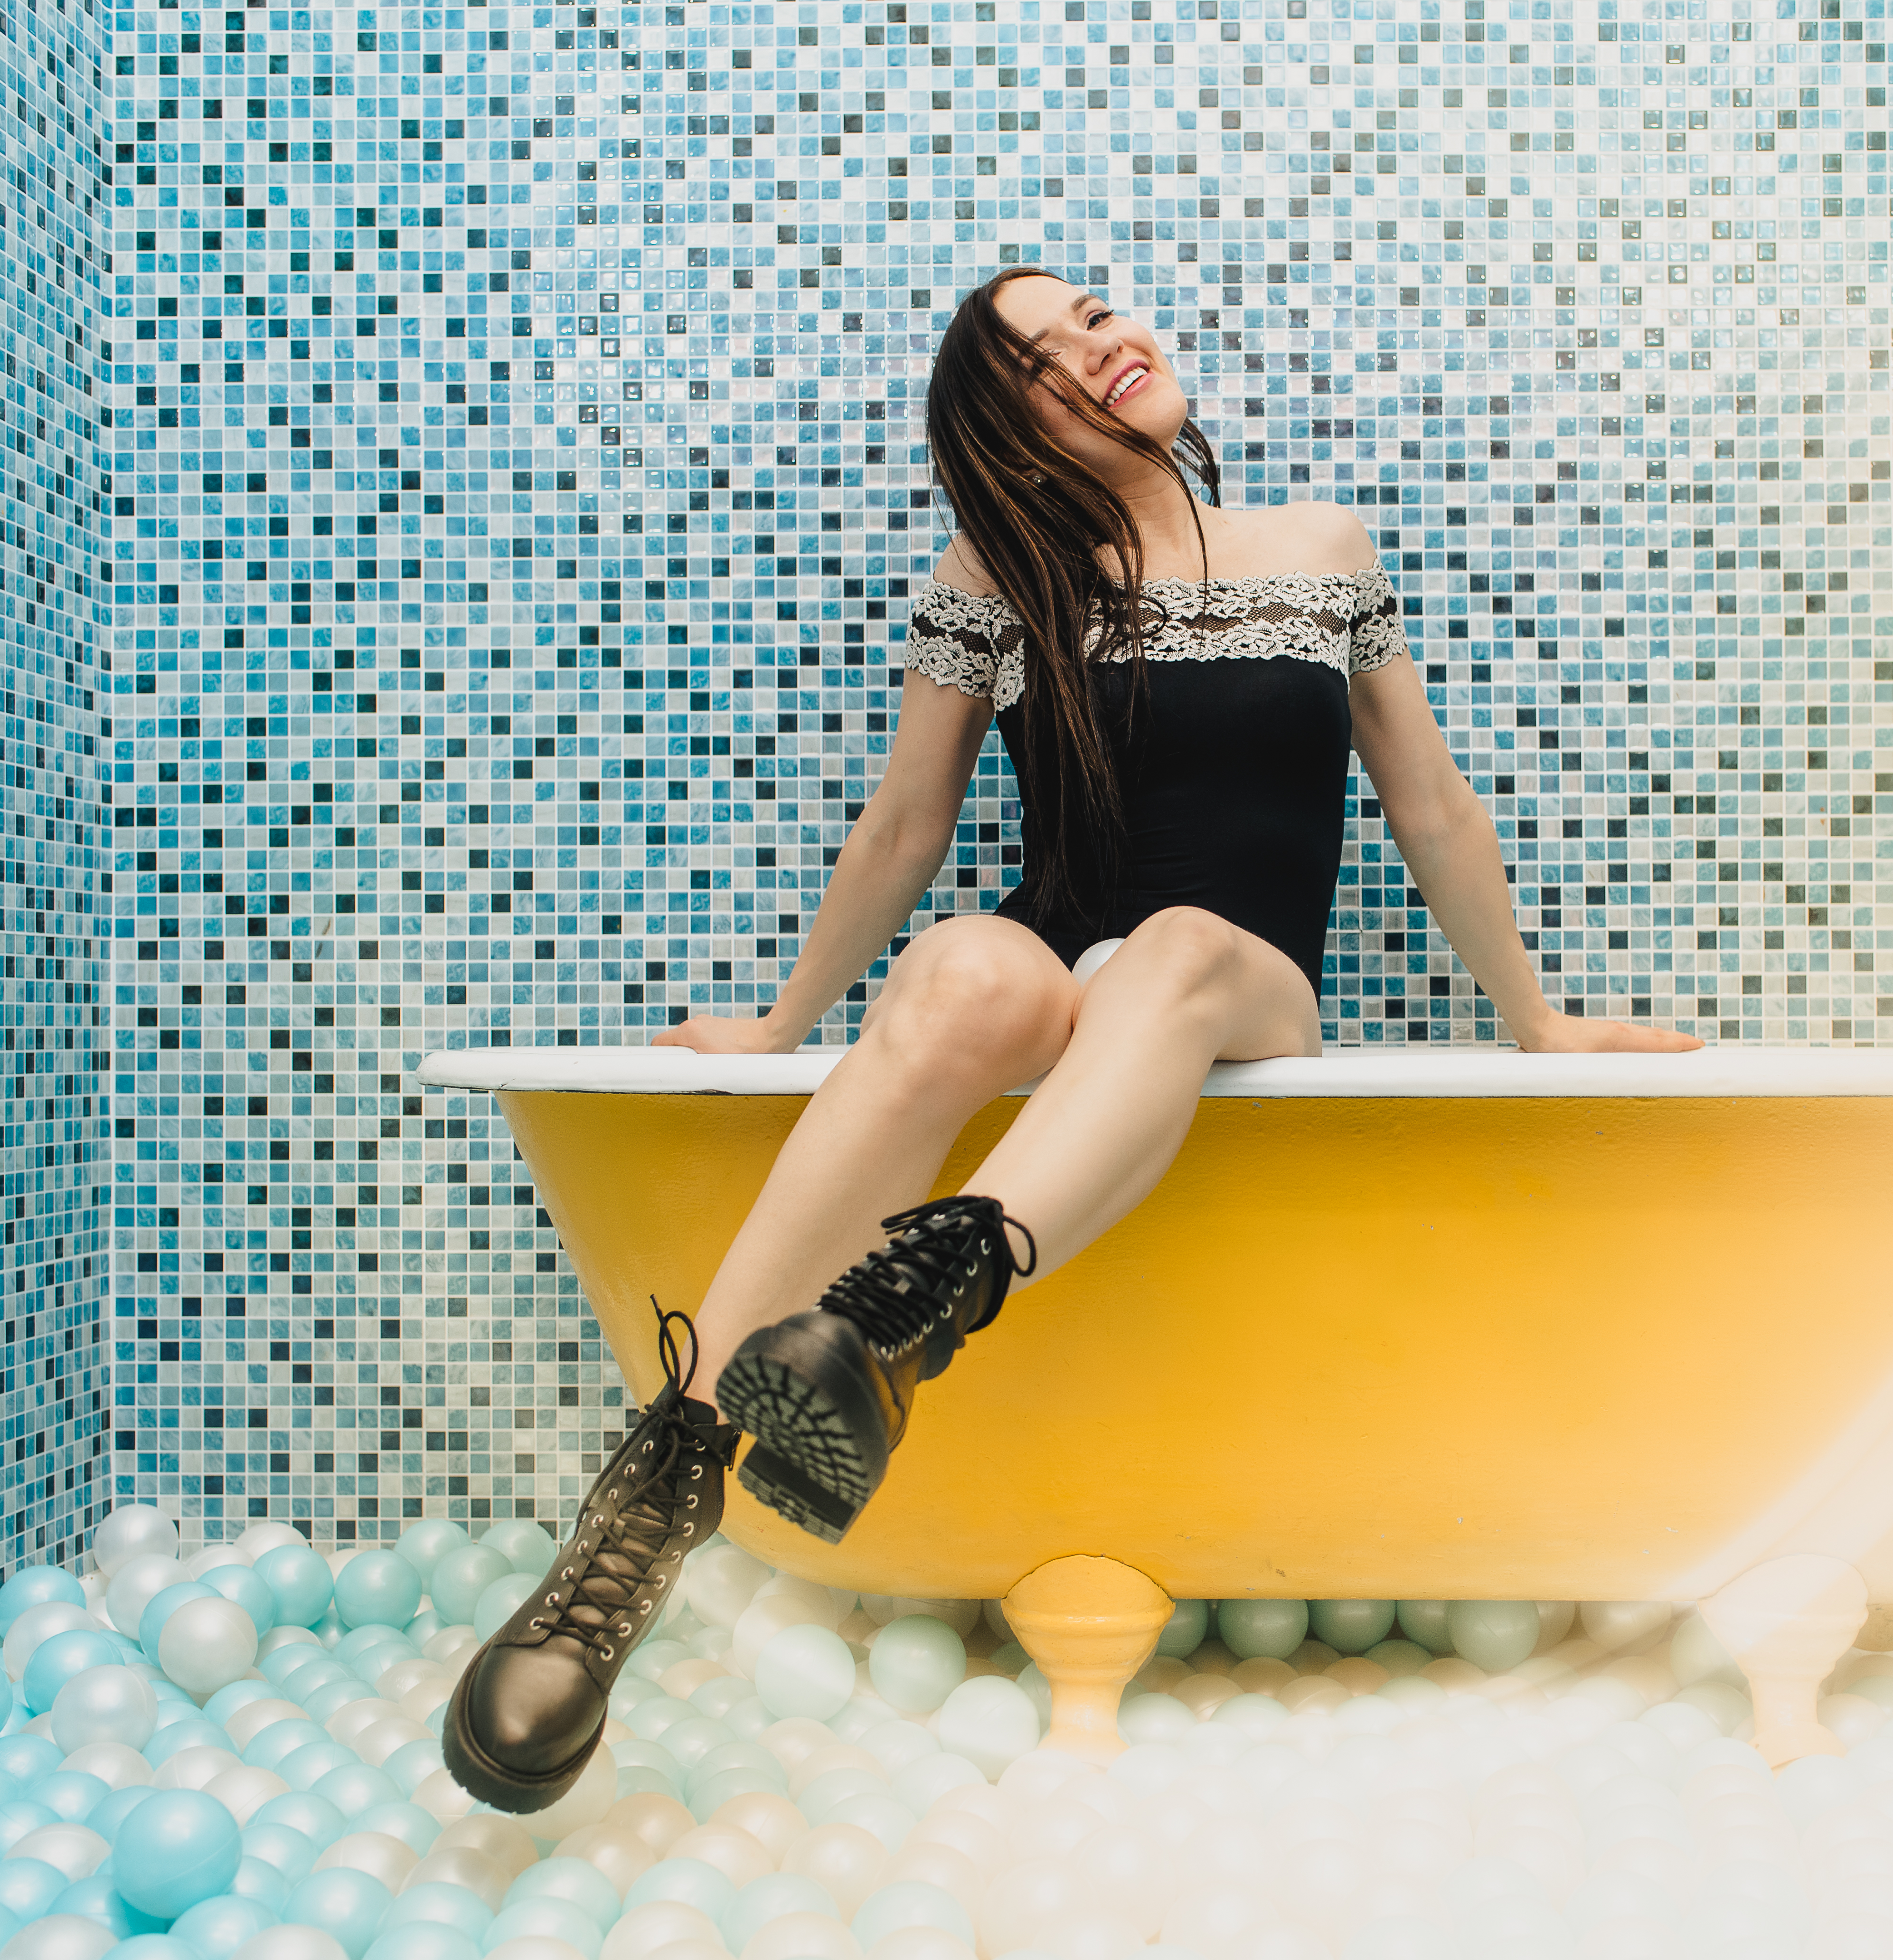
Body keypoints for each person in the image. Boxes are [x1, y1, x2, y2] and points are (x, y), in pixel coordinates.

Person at [443, 267, 1702, 1811]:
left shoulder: (1317, 554)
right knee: (965, 965)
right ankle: (651, 1507)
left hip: (1237, 987)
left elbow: (1427, 805)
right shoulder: (1001, 570)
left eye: (1098, 315)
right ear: (1010, 428)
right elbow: (912, 822)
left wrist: (1538, 1021)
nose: (1101, 348)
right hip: (1062, 975)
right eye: (1043, 359)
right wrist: (784, 1022)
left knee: (1168, 950)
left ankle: (913, 1306)